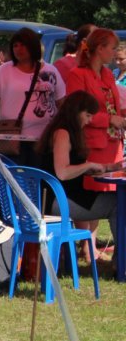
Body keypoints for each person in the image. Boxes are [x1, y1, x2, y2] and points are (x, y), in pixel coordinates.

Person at [37, 90, 119, 263]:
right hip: (59, 200)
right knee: (118, 204)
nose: (90, 121)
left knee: (118, 202)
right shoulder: (62, 134)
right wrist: (88, 165)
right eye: (88, 115)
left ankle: (121, 259)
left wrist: (110, 167)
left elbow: (71, 168)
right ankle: (122, 261)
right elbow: (63, 172)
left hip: (62, 196)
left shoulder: (64, 132)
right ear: (76, 112)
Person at [65, 28, 125, 261]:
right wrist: (108, 119)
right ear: (99, 49)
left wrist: (120, 119)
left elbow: (115, 107)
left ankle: (105, 251)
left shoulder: (108, 75)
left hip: (112, 143)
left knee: (113, 196)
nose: (115, 52)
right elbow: (76, 112)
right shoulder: (77, 75)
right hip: (91, 144)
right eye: (112, 48)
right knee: (92, 194)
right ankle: (88, 248)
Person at [0, 27, 66, 166]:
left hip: (43, 139)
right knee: (14, 180)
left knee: (39, 179)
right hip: (11, 139)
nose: (18, 49)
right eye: (15, 45)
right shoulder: (4, 70)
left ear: (33, 46)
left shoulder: (51, 70)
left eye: (23, 45)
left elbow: (62, 102)